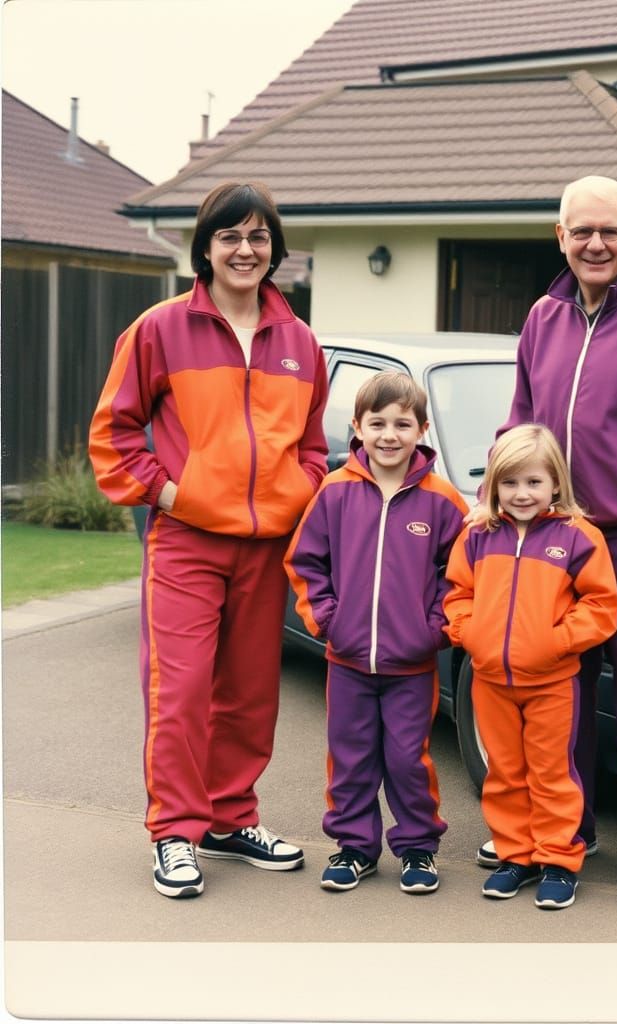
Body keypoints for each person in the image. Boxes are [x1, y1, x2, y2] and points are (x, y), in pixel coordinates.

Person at [89, 181, 329, 898]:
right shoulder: (160, 329)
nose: (245, 250)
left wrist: (299, 491)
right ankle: (175, 831)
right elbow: (114, 432)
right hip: (186, 542)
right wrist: (171, 494)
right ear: (205, 246)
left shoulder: (299, 340)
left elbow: (313, 445)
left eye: (258, 237)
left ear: (275, 250)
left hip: (265, 547)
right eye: (230, 236)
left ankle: (230, 818)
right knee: (181, 690)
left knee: (251, 694)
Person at [477, 176, 617, 911]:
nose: (596, 243)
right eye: (582, 231)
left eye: (610, 231)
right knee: (558, 703)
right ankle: (559, 838)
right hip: (549, 544)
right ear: (561, 237)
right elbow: (518, 426)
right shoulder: (542, 318)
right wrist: (498, 506)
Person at [284, 371, 468, 895]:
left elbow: (459, 577)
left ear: (422, 430)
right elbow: (305, 561)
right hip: (347, 662)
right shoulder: (335, 492)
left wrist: (435, 630)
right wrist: (327, 619)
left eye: (402, 424)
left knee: (408, 759)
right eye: (378, 423)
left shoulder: (442, 501)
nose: (390, 434)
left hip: (411, 665)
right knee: (351, 756)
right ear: (357, 428)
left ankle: (417, 850)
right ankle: (354, 849)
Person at [445, 424, 617, 910]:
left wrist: (557, 642)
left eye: (533, 482)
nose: (522, 494)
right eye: (511, 483)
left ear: (555, 484)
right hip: (491, 680)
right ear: (495, 486)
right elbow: (457, 595)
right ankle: (515, 855)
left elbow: (601, 605)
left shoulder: (578, 537)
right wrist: (469, 633)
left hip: (553, 682)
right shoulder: (481, 536)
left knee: (552, 773)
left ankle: (559, 861)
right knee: (504, 772)